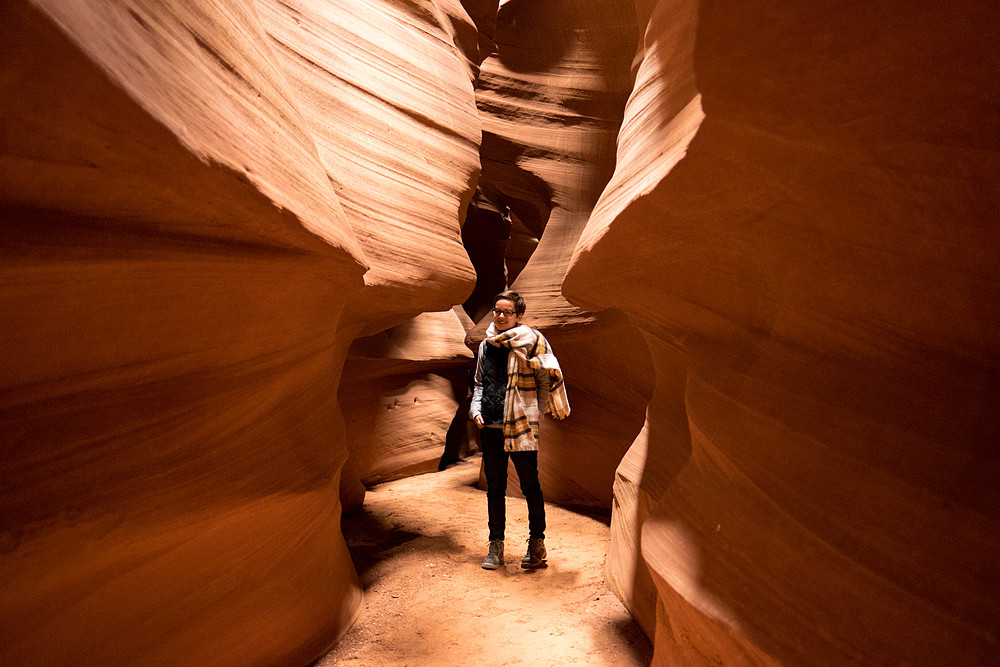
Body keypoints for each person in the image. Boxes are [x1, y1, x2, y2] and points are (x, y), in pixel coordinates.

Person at [470, 290, 570, 570]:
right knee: (495, 489)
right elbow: (479, 383)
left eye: (507, 312)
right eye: (497, 311)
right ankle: (496, 546)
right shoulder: (485, 346)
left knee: (530, 486)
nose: (501, 316)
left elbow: (544, 380)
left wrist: (533, 412)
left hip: (521, 426)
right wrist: (476, 409)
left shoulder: (532, 341)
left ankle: (537, 545)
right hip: (490, 425)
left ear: (519, 316)